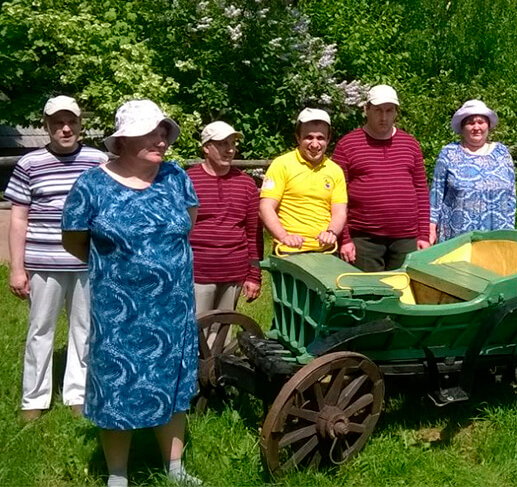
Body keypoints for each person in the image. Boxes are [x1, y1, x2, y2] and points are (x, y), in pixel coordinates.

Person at [61, 100, 201, 487]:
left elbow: (186, 224)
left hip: (172, 306)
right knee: (117, 384)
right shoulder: (92, 185)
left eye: (163, 132)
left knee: (172, 383)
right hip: (118, 310)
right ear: (122, 141)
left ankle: (174, 469)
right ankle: (118, 475)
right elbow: (75, 240)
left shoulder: (176, 177)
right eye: (150, 132)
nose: (161, 139)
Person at [5, 96, 107, 421]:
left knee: (85, 329)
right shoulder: (30, 163)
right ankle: (33, 399)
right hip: (43, 262)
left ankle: (78, 394)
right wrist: (17, 268)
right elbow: (19, 218)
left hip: (88, 263)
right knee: (39, 330)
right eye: (57, 123)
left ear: (80, 124)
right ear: (46, 126)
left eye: (72, 122)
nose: (65, 129)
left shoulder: (98, 161)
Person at [333, 85, 430, 271]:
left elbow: (421, 191)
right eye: (378, 110)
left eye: (389, 110)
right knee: (368, 294)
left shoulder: (410, 144)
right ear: (366, 110)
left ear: (396, 112)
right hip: (364, 238)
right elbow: (337, 196)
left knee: (405, 293)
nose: (384, 117)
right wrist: (344, 239)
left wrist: (423, 235)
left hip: (406, 238)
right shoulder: (347, 145)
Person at [187, 121, 263, 321]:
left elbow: (253, 232)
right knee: (195, 330)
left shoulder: (246, 184)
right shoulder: (188, 180)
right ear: (206, 147)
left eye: (232, 144)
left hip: (234, 271)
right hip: (197, 271)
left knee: (223, 330)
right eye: (222, 144)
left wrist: (254, 275)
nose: (230, 150)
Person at [260, 108, 347, 254]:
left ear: (328, 139)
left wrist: (331, 233)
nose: (314, 144)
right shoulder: (282, 164)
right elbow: (265, 208)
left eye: (320, 138)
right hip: (289, 251)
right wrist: (284, 236)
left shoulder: (335, 170)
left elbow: (340, 212)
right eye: (309, 137)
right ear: (298, 138)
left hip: (325, 252)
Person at [429, 100, 516, 243]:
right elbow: (436, 194)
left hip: (496, 236)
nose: (476, 127)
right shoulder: (449, 153)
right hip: (457, 237)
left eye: (481, 122)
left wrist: (510, 231)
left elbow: (511, 195)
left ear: (488, 125)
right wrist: (431, 228)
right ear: (462, 127)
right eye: (470, 123)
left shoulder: (502, 152)